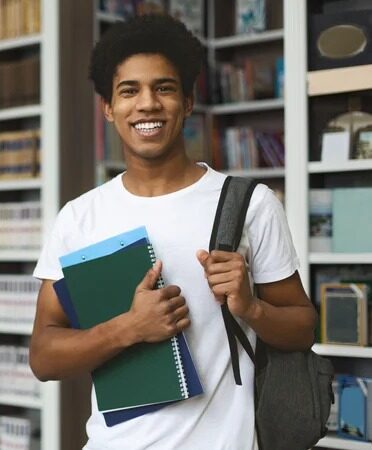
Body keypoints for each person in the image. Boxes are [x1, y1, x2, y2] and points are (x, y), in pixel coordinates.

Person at [29, 13, 317, 450]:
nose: (147, 104)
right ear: (108, 108)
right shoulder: (79, 217)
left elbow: (303, 328)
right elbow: (43, 356)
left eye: (163, 88)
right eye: (129, 91)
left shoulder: (249, 204)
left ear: (187, 101)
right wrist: (129, 327)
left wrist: (251, 307)